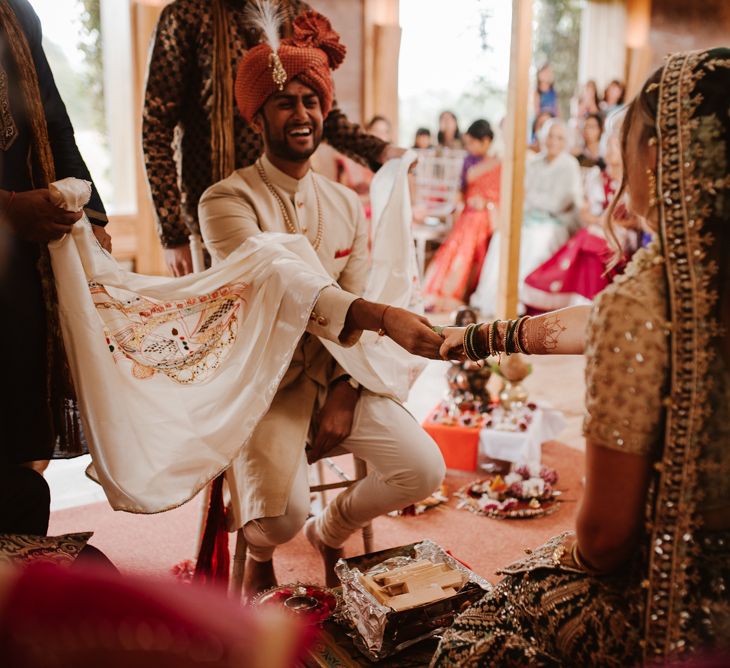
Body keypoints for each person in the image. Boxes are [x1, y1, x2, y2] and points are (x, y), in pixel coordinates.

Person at [434, 48, 730, 665]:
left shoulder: (649, 295)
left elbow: (604, 540)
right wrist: (486, 338)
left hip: (676, 615)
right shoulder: (691, 277)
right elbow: (600, 324)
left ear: (661, 153)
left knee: (477, 631)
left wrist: (549, 560)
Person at [198, 9, 445, 596]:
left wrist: (344, 389)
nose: (302, 114)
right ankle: (262, 550)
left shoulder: (340, 201)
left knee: (424, 468)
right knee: (275, 518)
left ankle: (329, 530)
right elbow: (284, 283)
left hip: (336, 373)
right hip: (267, 386)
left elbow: (362, 290)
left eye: (312, 100)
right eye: (286, 102)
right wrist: (381, 318)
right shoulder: (224, 202)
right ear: (258, 114)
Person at [143, 0, 402, 277]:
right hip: (213, 213)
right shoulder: (187, 15)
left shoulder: (298, 16)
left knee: (302, 298)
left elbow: (324, 116)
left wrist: (382, 151)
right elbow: (156, 127)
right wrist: (173, 233)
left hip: (291, 203)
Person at [0, 0, 110, 534]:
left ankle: (18, 580)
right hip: (12, 227)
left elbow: (51, 116)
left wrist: (93, 217)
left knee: (23, 430)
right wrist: (6, 207)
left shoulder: (17, 11)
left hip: (21, 267)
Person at [470, 119, 582, 316]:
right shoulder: (534, 162)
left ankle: (521, 300)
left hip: (555, 222)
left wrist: (534, 200)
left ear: (566, 141)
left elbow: (558, 203)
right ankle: (491, 298)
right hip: (529, 218)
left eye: (559, 137)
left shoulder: (570, 165)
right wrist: (534, 201)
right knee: (502, 237)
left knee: (536, 240)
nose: (553, 141)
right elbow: (521, 196)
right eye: (550, 136)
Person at [522, 132, 640, 313]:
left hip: (623, 233)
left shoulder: (633, 181)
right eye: (607, 145)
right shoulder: (597, 177)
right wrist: (601, 221)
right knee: (587, 244)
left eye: (615, 146)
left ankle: (592, 304)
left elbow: (638, 219)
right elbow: (586, 213)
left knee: (590, 244)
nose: (610, 151)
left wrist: (613, 224)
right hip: (598, 228)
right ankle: (578, 302)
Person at [423, 119, 500, 309]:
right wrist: (460, 204)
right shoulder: (468, 160)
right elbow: (461, 190)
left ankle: (457, 291)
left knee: (472, 226)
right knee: (464, 232)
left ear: (486, 141)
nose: (470, 147)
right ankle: (443, 291)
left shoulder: (499, 163)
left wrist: (487, 204)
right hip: (468, 213)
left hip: (488, 215)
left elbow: (502, 196)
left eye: (473, 142)